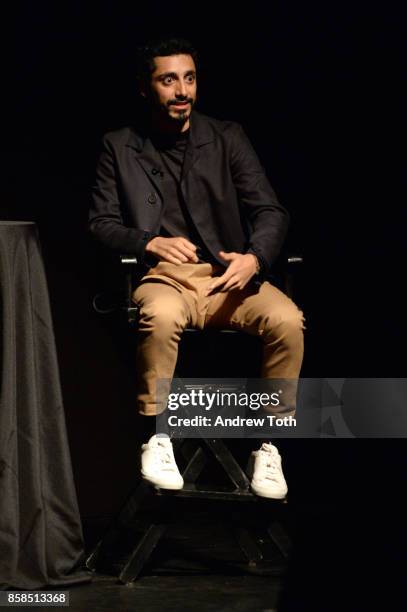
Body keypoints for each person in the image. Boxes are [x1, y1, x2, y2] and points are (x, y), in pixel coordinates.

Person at [89, 37, 305, 499]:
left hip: (229, 277)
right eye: (168, 79)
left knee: (287, 320)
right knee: (161, 316)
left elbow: (271, 210)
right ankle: (159, 436)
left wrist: (254, 258)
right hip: (165, 278)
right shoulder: (120, 145)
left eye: (189, 78)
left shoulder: (226, 136)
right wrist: (150, 242)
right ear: (147, 88)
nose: (182, 89)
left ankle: (269, 444)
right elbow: (101, 223)